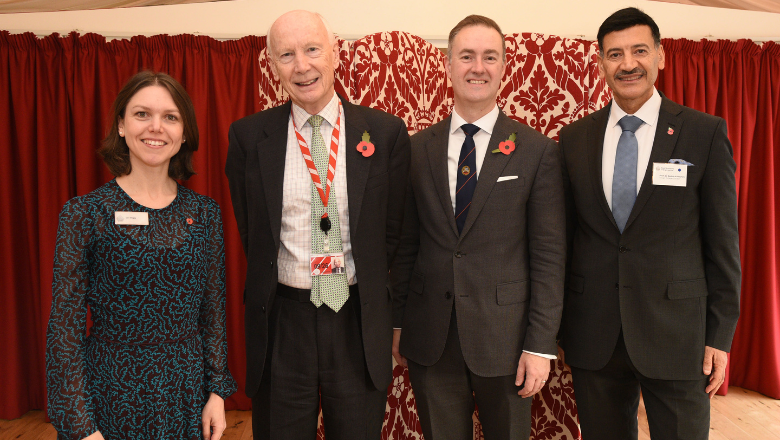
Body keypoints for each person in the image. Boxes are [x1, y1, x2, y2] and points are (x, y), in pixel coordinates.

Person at [224, 10, 410, 440]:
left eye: (312, 49)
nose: (301, 66)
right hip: (283, 320)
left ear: (336, 53)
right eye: (286, 55)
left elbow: (396, 234)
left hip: (356, 316)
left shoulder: (384, 134)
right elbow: (253, 232)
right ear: (272, 66)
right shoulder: (249, 138)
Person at [558, 7, 741, 440]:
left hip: (679, 335)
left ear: (661, 56)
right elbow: (563, 241)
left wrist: (721, 333)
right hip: (594, 333)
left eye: (640, 50)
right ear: (600, 62)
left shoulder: (703, 133)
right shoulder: (574, 139)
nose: (628, 64)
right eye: (614, 53)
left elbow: (724, 244)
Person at [390, 15, 565, 440]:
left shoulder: (536, 151)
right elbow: (406, 245)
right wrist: (398, 323)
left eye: (490, 57)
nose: (478, 67)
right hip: (432, 337)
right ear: (448, 65)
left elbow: (549, 255)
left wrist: (540, 344)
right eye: (466, 56)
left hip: (506, 339)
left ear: (504, 67)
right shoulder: (416, 149)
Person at [46, 71, 236, 440]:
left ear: (184, 132)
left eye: (170, 117)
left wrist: (216, 392)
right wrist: (82, 427)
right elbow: (64, 330)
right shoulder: (85, 214)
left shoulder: (206, 213)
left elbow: (212, 310)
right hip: (110, 392)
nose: (156, 127)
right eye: (141, 114)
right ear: (120, 125)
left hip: (185, 392)